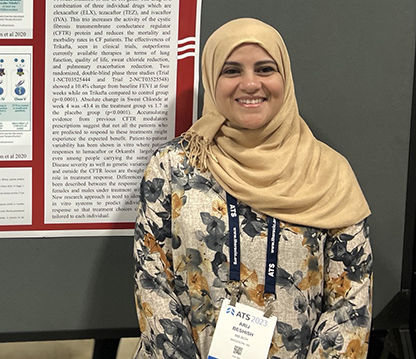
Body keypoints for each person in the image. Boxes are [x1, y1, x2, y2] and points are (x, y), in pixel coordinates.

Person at [133, 18, 372, 359]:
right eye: (231, 70)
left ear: (284, 78)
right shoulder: (172, 166)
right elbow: (151, 280)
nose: (250, 84)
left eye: (264, 69)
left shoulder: (328, 172)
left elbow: (351, 301)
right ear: (211, 79)